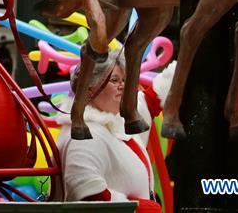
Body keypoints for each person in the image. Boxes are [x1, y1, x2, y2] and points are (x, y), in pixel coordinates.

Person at [56, 50, 174, 212]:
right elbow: (89, 194)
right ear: (89, 88)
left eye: (125, 80)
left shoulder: (120, 120)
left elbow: (154, 97)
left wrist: (192, 52)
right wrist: (137, 209)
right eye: (114, 80)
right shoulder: (82, 136)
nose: (123, 86)